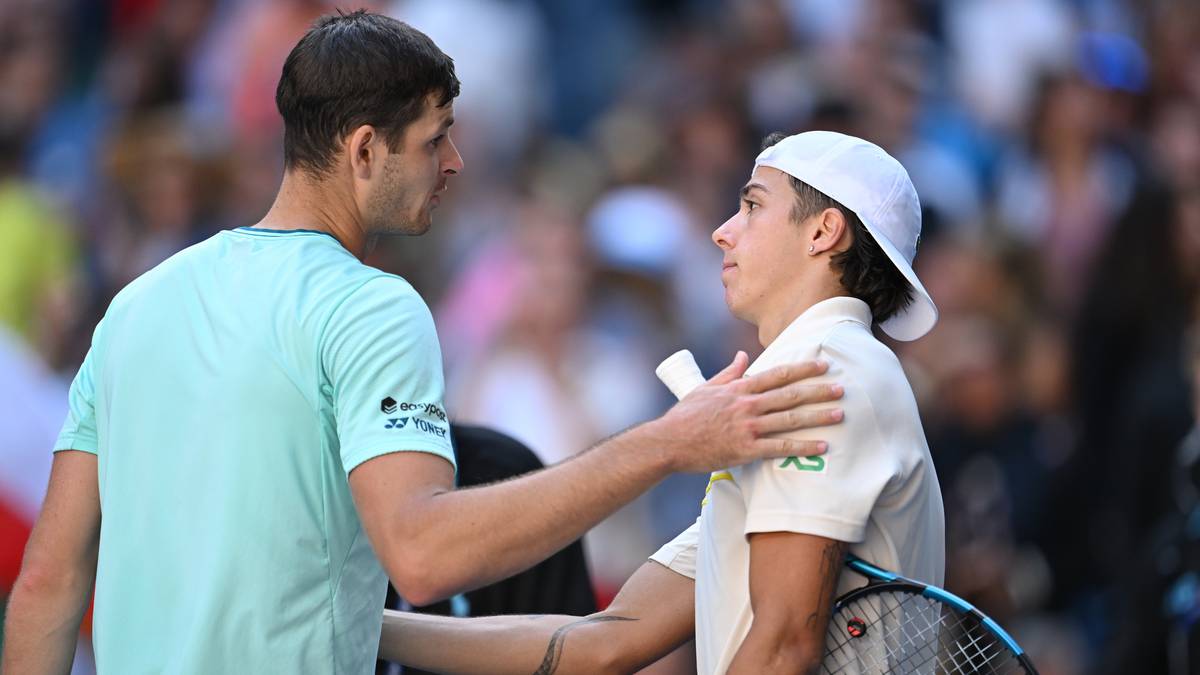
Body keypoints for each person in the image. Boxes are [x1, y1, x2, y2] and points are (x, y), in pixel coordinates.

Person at [0, 12, 845, 675]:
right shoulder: (370, 306)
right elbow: (426, 550)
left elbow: (47, 582)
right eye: (436, 136)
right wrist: (669, 443)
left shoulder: (137, 305)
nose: (457, 162)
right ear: (365, 150)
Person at [378, 130, 946, 674]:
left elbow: (783, 648)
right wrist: (359, 628)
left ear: (823, 232)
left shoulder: (828, 371)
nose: (723, 232)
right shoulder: (815, 373)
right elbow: (607, 641)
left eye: (752, 207)